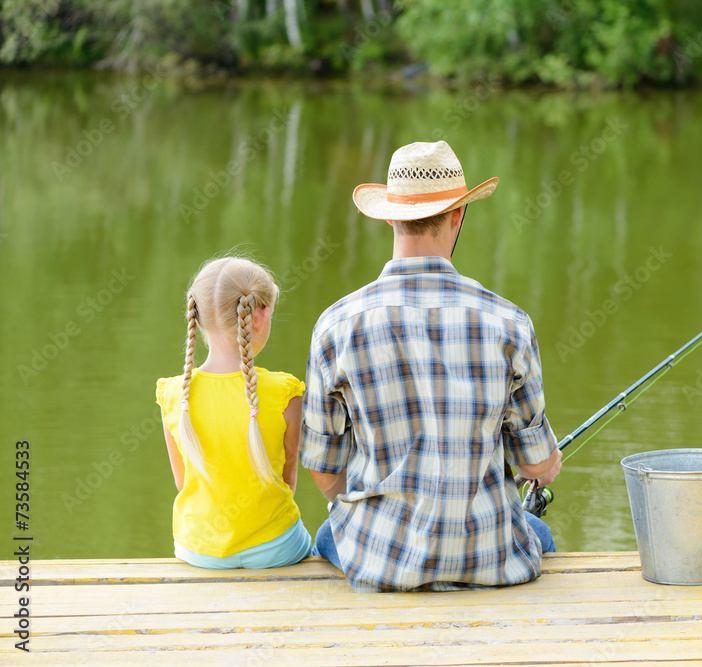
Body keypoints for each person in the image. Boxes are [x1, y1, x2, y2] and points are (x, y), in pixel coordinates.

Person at [302, 141, 562, 593]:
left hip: (382, 563)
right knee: (539, 535)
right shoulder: (509, 322)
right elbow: (535, 464)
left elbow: (323, 472)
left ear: (390, 216)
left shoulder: (336, 325)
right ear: (457, 215)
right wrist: (548, 463)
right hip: (489, 559)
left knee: (329, 533)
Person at [156, 256, 311, 569]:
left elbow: (182, 481)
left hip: (198, 550)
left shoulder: (174, 395)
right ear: (259, 317)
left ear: (196, 317)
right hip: (276, 548)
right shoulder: (285, 393)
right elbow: (288, 479)